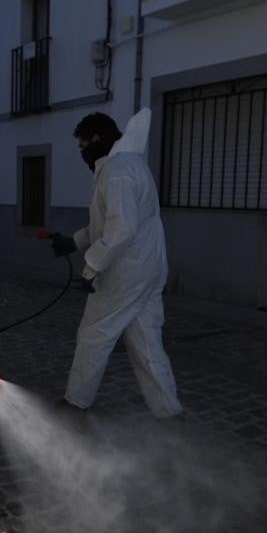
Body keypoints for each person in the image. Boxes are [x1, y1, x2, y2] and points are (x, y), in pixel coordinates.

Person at [51, 110, 184, 419]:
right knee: (147, 343)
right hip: (148, 271)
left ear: (98, 139)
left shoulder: (118, 169)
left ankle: (75, 404)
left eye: (83, 146)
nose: (83, 153)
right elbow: (106, 224)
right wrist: (74, 241)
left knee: (94, 334)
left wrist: (91, 268)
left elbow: (121, 228)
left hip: (125, 272)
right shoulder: (129, 165)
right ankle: (170, 412)